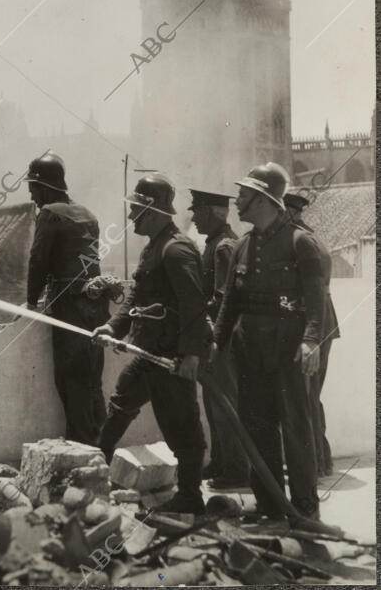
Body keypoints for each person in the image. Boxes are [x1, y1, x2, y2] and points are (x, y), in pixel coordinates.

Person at [93, 174, 210, 514]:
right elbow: (136, 298)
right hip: (148, 354)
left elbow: (194, 306)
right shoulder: (154, 248)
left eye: (135, 211)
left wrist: (190, 355)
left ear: (153, 210)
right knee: (119, 406)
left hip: (171, 358)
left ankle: (191, 497)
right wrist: (114, 327)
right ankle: (94, 476)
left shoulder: (176, 249)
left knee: (182, 428)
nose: (130, 218)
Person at [214, 164, 325, 519]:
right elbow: (231, 300)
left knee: (295, 427)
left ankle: (305, 508)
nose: (237, 201)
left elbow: (316, 300)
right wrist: (217, 341)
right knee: (256, 426)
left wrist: (310, 341)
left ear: (262, 199)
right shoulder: (244, 244)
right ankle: (271, 505)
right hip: (250, 352)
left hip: (287, 350)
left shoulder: (300, 242)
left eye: (243, 195)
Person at [25, 153, 111, 446]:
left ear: (45, 187)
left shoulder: (49, 212)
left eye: (33, 189)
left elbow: (38, 260)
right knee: (91, 377)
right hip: (95, 304)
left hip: (69, 303)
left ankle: (82, 446)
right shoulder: (88, 213)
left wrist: (31, 300)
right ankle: (102, 442)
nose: (32, 196)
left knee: (70, 376)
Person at [188, 188, 249, 490]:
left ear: (213, 213)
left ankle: (237, 470)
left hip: (223, 339)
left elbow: (226, 298)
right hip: (216, 336)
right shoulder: (215, 243)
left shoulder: (224, 246)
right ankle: (222, 463)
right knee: (214, 403)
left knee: (225, 403)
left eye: (197, 211)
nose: (193, 217)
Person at [284, 191, 340, 476]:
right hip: (322, 322)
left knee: (306, 395)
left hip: (312, 322)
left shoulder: (301, 242)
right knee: (309, 394)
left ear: (290, 211)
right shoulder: (312, 237)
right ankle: (321, 460)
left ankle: (316, 463)